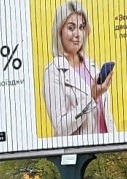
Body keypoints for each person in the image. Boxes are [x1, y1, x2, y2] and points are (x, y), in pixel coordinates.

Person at [41, 1, 115, 137]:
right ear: (59, 31)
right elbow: (62, 128)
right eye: (71, 28)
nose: (78, 34)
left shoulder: (91, 66)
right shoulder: (53, 72)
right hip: (79, 154)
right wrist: (92, 98)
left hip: (107, 151)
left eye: (81, 28)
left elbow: (105, 115)